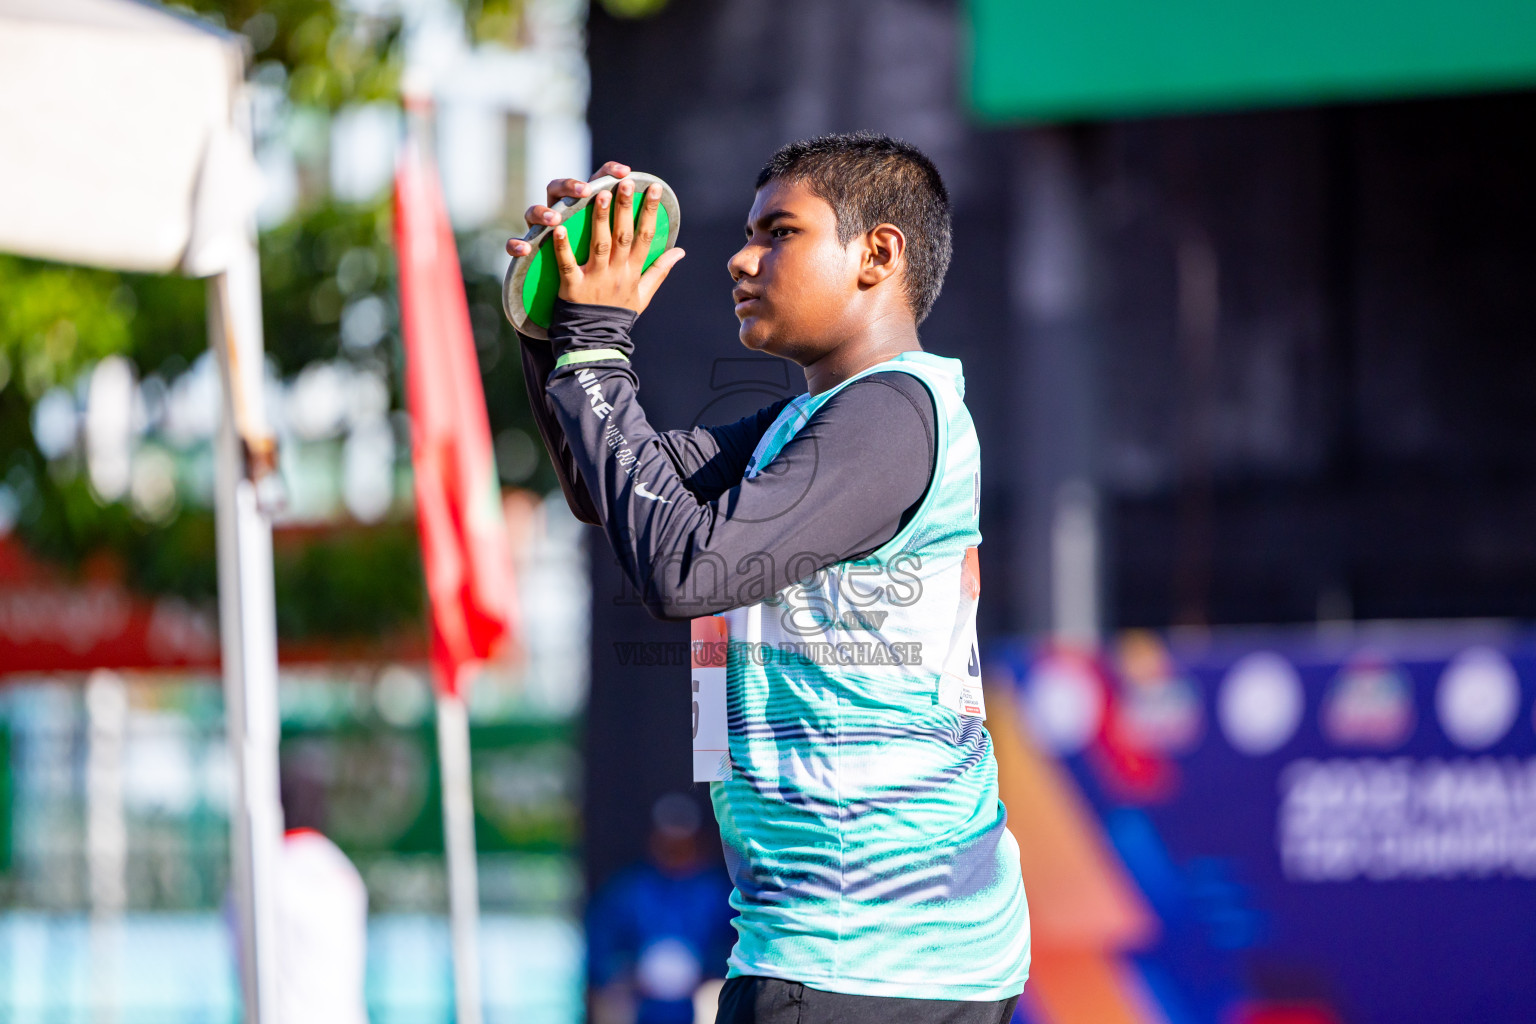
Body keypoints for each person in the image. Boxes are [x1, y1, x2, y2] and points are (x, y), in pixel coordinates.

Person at [508, 132, 1029, 1023]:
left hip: (858, 959)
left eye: (779, 231)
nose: (741, 258)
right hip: (883, 955)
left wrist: (596, 339)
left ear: (878, 253)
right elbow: (619, 491)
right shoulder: (816, 421)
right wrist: (556, 330)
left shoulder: (895, 412)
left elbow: (684, 567)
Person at [586, 793, 737, 1024]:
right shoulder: (629, 888)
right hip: (640, 998)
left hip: (701, 994)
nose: (675, 848)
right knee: (612, 999)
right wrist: (626, 971)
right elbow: (600, 944)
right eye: (668, 839)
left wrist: (710, 970)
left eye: (682, 839)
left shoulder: (718, 890)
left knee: (716, 997)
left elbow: (740, 940)